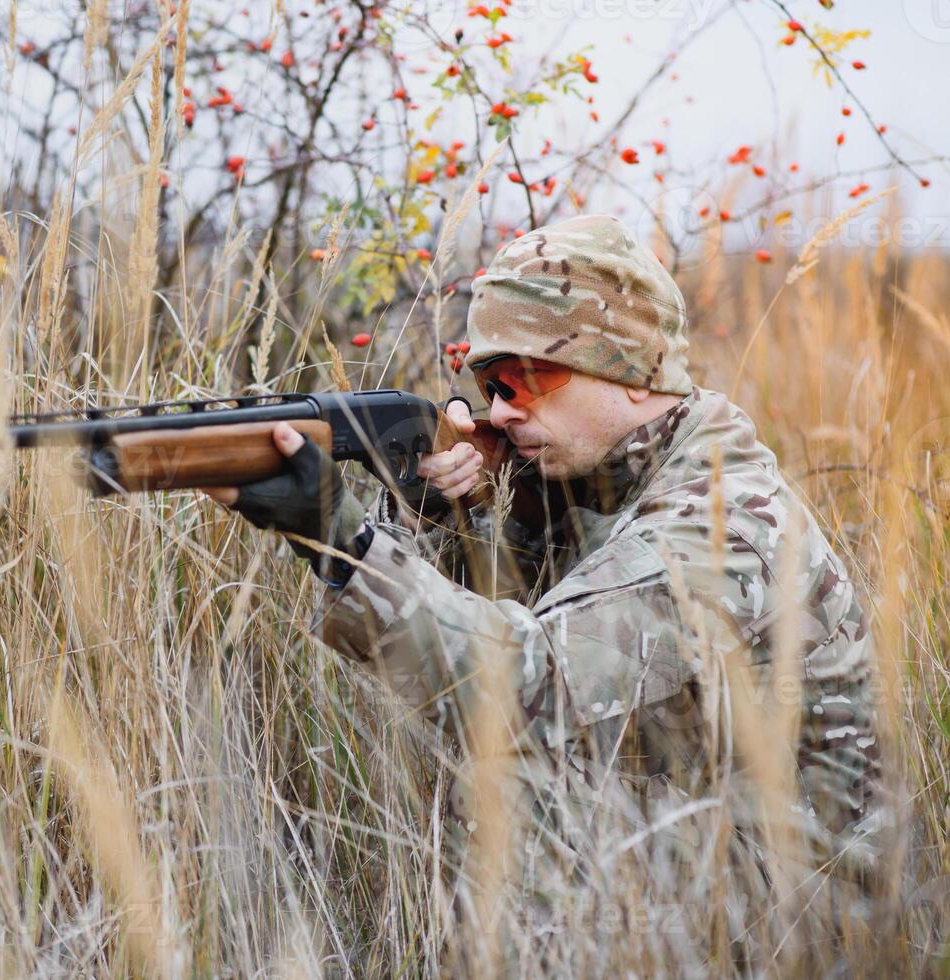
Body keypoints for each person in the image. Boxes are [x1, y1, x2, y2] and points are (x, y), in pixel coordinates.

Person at [201, 213, 884, 894]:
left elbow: (518, 684)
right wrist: (428, 509)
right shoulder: (589, 474)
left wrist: (341, 543)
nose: (499, 413)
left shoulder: (722, 527)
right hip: (685, 851)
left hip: (791, 914)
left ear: (633, 370)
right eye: (493, 386)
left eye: (526, 380)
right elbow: (476, 613)